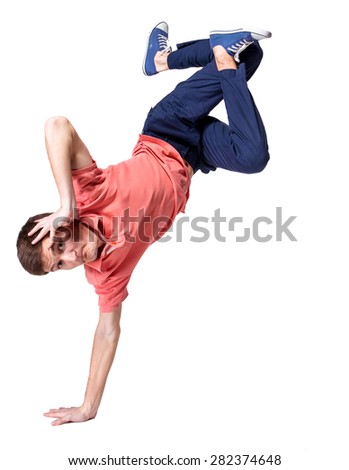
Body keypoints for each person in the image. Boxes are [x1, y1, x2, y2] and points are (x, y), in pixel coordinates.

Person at [16, 22, 272, 426]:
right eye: (59, 265)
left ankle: (164, 59)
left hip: (168, 125)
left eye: (60, 246)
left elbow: (56, 126)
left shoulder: (87, 195)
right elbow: (106, 332)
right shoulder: (105, 274)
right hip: (196, 154)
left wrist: (65, 203)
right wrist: (87, 408)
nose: (71, 258)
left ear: (62, 225)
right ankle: (164, 59)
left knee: (246, 55)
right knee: (253, 151)